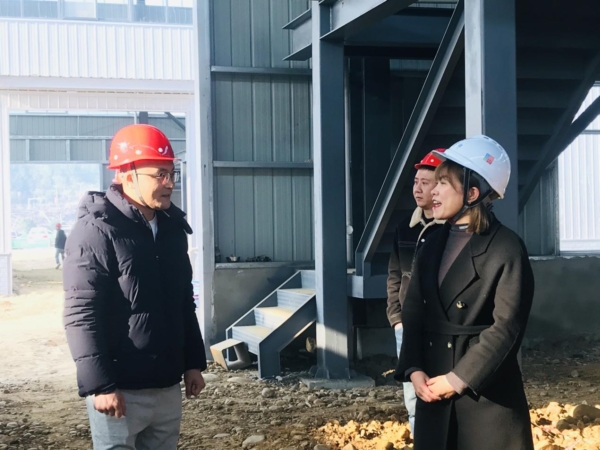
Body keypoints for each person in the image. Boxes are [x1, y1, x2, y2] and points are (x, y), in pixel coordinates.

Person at [63, 124, 207, 450]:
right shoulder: (96, 230)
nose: (170, 183)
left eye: (172, 173)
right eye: (160, 174)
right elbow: (81, 313)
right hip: (120, 388)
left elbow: (183, 301)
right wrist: (100, 385)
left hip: (167, 384)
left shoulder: (172, 230)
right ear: (127, 175)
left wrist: (192, 363)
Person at [396, 135, 535, 450]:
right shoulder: (430, 243)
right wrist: (414, 368)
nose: (433, 191)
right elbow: (414, 310)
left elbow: (507, 327)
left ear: (472, 193)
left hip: (485, 396)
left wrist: (458, 378)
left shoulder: (506, 248)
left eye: (443, 183)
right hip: (432, 388)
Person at [386, 149, 446, 432]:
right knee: (412, 388)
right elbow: (395, 274)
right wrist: (395, 317)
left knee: (438, 382)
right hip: (407, 323)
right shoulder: (404, 228)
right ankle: (418, 434)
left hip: (439, 325)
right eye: (415, 182)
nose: (418, 189)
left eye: (426, 182)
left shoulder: (451, 230)